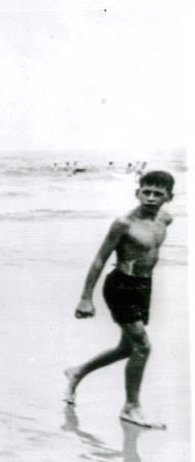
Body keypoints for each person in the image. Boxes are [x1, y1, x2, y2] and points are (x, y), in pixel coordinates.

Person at [64, 171, 175, 429]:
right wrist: (85, 298)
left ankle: (77, 371)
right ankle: (131, 407)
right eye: (145, 191)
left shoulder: (165, 219)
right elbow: (100, 259)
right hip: (121, 286)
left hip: (143, 286)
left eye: (158, 194)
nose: (150, 198)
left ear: (169, 197)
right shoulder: (123, 223)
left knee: (127, 348)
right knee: (143, 347)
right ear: (137, 192)